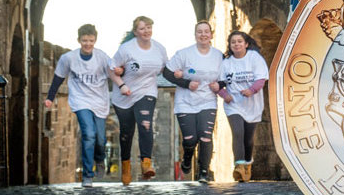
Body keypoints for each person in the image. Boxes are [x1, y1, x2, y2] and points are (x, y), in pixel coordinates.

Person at [44, 24, 112, 188]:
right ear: (78, 40)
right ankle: (87, 175)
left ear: (95, 40)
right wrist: (50, 98)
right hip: (80, 100)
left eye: (91, 40)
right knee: (88, 134)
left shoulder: (102, 57)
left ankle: (100, 159)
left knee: (101, 140)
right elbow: (58, 78)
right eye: (84, 41)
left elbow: (114, 74)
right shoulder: (69, 58)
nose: (87, 44)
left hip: (100, 101)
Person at [163, 21, 225, 183]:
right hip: (185, 102)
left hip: (207, 101)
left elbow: (227, 76)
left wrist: (220, 85)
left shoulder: (218, 56)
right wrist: (186, 83)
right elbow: (167, 73)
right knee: (190, 139)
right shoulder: (184, 54)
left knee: (205, 137)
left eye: (206, 31)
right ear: (195, 35)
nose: (203, 34)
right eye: (199, 32)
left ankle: (204, 172)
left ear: (211, 35)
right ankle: (187, 158)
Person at [109, 16, 168, 185]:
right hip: (124, 96)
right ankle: (126, 166)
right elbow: (112, 70)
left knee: (145, 124)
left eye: (148, 27)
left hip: (147, 92)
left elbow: (166, 69)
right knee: (126, 133)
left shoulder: (159, 49)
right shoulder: (126, 49)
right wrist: (121, 85)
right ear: (135, 32)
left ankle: (146, 164)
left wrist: (182, 77)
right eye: (142, 28)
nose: (146, 31)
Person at [209, 31, 268, 183]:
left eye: (239, 41)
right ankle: (239, 166)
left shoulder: (254, 58)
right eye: (233, 42)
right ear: (230, 45)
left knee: (248, 139)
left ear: (246, 44)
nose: (236, 44)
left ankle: (247, 164)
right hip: (233, 104)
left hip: (252, 105)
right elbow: (220, 84)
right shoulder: (226, 63)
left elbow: (261, 79)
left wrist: (251, 90)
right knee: (237, 132)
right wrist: (223, 94)